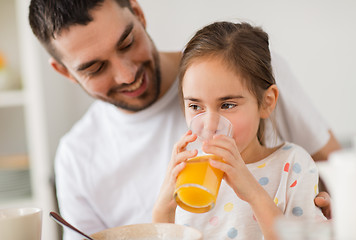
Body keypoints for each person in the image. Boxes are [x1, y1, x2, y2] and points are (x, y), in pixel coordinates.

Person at [28, 0, 339, 239]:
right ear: (64, 72)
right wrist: (162, 209)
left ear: (138, 13)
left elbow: (342, 177)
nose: (126, 74)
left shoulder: (249, 70)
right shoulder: (75, 156)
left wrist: (339, 212)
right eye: (95, 68)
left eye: (127, 43)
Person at [152, 21, 327, 240]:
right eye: (196, 106)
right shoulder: (188, 176)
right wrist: (162, 212)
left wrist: (253, 193)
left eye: (227, 105)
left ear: (266, 102)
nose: (209, 125)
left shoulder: (292, 165)